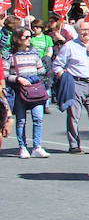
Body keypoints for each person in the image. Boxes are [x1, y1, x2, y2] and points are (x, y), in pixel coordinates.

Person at [51, 20, 89, 156]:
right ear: (77, 31)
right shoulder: (70, 46)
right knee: (73, 116)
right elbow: (57, 65)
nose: (86, 32)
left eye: (88, 29)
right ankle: (74, 145)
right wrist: (62, 75)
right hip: (76, 83)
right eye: (83, 30)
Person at [4, 26, 49, 159]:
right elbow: (5, 75)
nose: (30, 39)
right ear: (17, 39)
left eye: (30, 37)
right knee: (21, 120)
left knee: (38, 119)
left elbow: (41, 71)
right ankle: (22, 147)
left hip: (35, 90)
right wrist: (19, 79)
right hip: (20, 91)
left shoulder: (34, 53)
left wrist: (34, 78)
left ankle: (37, 146)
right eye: (26, 37)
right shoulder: (10, 55)